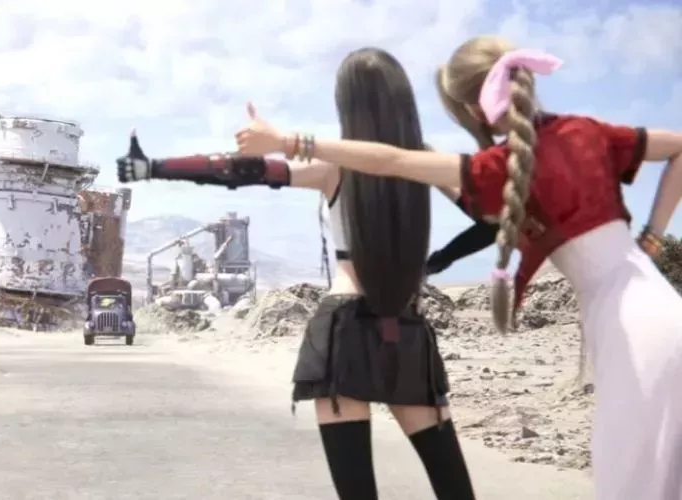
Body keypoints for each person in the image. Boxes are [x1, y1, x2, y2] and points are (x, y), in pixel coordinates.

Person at [223, 35, 682, 500]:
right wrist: (651, 238)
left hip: (625, 328)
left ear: (473, 109)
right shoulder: (581, 131)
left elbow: (389, 160)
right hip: (661, 304)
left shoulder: (493, 166)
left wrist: (284, 142)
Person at [117, 48, 476, 500]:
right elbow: (493, 220)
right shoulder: (426, 160)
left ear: (346, 105)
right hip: (405, 327)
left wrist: (154, 167)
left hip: (344, 328)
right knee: (453, 487)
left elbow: (237, 171)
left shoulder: (332, 165)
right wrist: (436, 262)